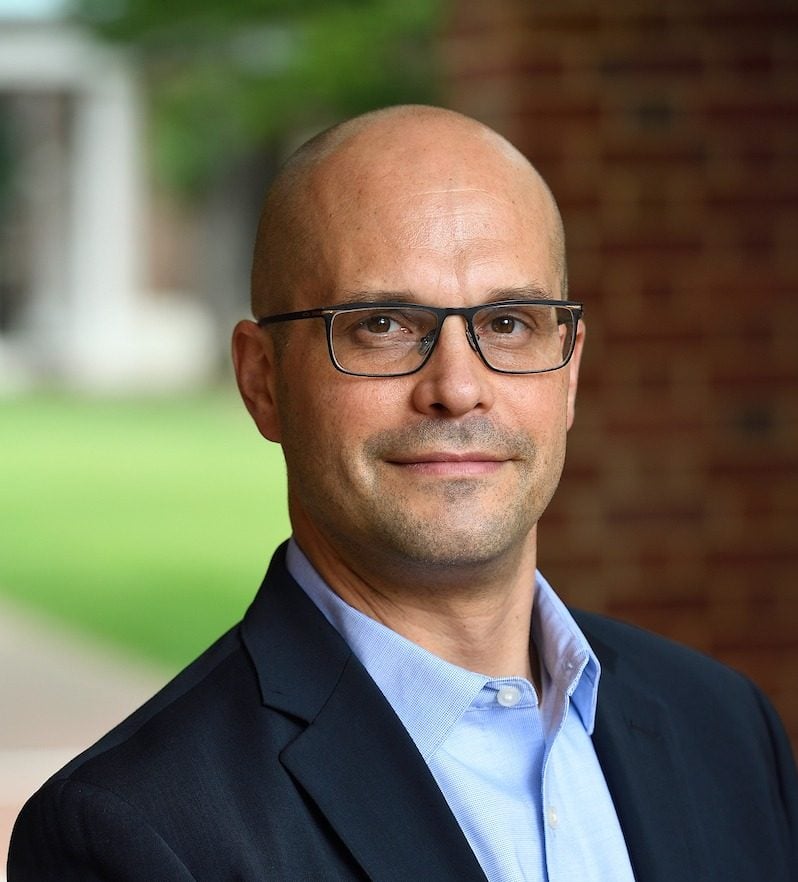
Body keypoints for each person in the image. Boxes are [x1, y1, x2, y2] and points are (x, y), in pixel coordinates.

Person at [8, 105, 797, 881]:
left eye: (509, 323)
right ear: (262, 381)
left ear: (569, 372)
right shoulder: (136, 833)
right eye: (382, 324)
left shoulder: (727, 729)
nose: (457, 388)